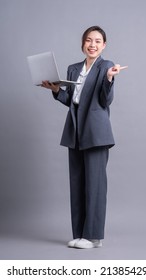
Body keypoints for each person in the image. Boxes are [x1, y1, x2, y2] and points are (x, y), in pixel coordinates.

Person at [41, 26, 121, 249]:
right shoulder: (73, 69)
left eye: (97, 41)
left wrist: (109, 79)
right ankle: (80, 234)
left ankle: (94, 236)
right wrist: (56, 90)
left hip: (96, 133)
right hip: (75, 131)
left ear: (103, 45)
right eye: (88, 40)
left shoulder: (106, 66)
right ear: (82, 44)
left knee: (95, 185)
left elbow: (105, 100)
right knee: (77, 183)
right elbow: (71, 101)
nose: (92, 44)